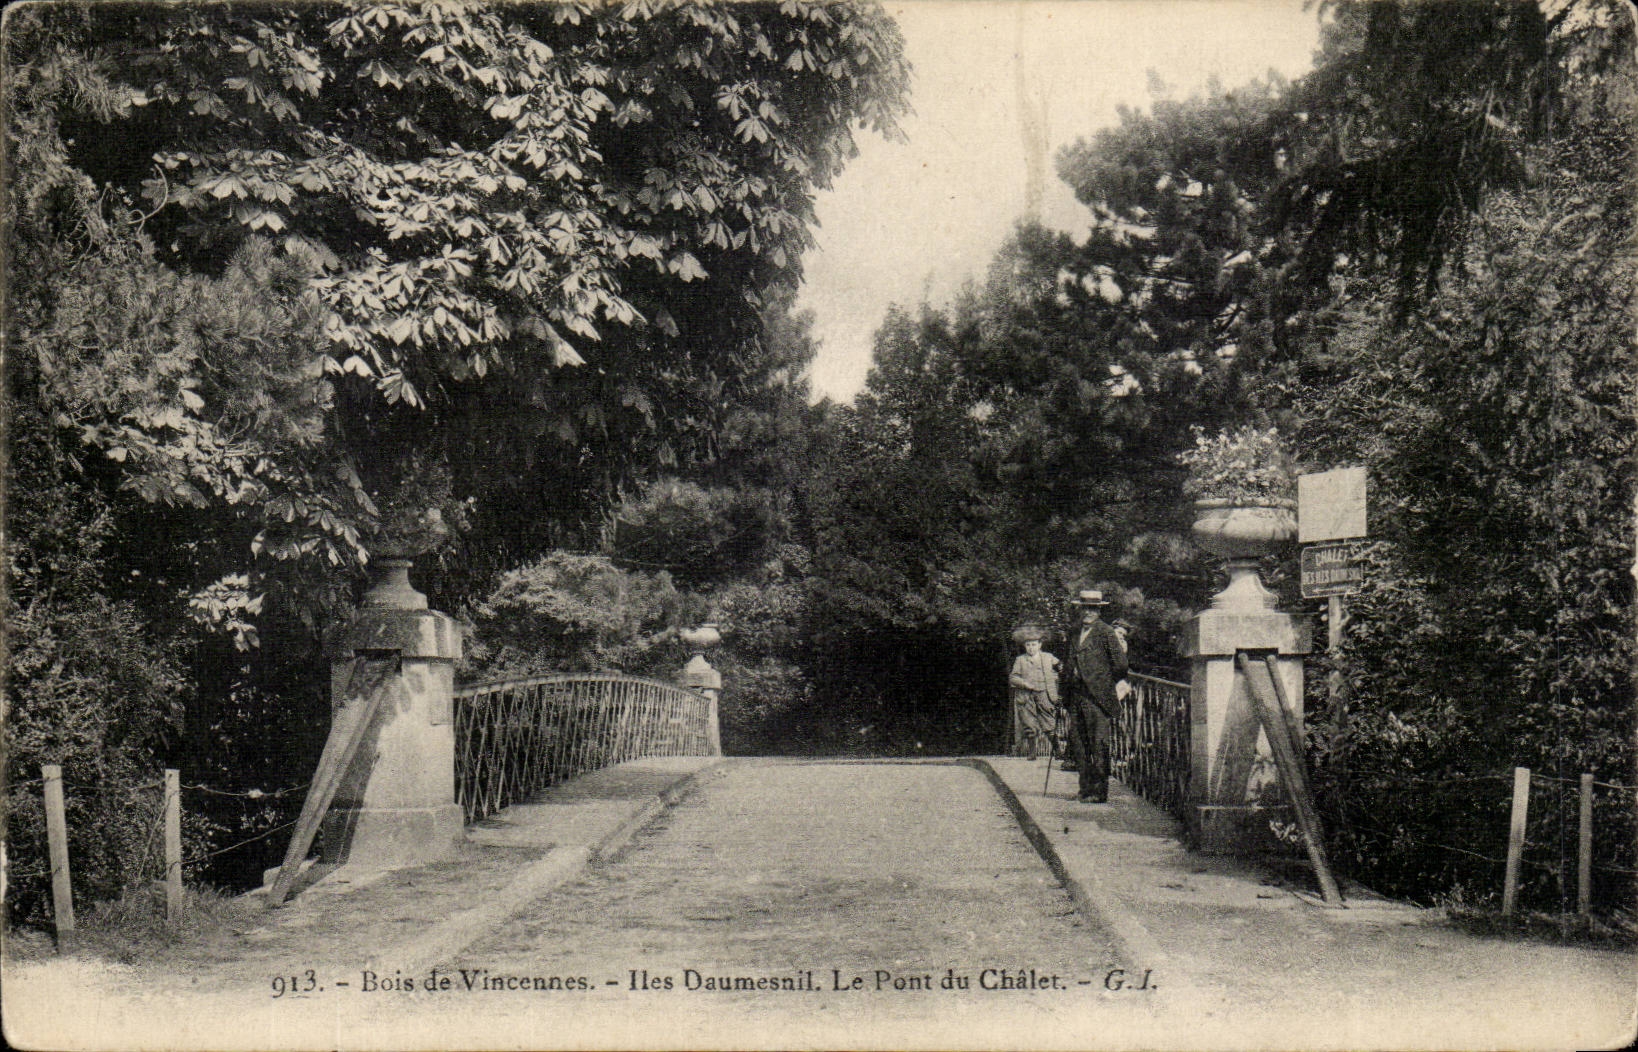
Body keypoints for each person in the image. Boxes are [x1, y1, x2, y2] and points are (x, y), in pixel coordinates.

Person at [1062, 590, 1130, 803]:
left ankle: (1099, 792)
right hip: (1076, 695)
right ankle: (1085, 789)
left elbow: (1121, 665)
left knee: (1099, 744)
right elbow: (1067, 661)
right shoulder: (1074, 632)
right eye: (1085, 608)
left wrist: (1101, 681)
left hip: (1097, 698)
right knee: (1080, 744)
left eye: (1093, 608)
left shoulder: (1106, 632)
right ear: (1079, 609)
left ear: (1099, 610)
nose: (1088, 612)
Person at [1007, 627, 1060, 759]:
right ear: (1024, 646)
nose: (1031, 648)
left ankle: (1058, 751)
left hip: (1044, 693)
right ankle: (1032, 752)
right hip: (1027, 696)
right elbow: (1013, 678)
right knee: (1028, 723)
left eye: (1034, 644)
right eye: (1028, 645)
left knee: (1049, 722)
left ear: (1040, 645)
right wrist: (1025, 684)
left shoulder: (1048, 657)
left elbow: (1062, 668)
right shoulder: (1020, 660)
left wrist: (1057, 676)